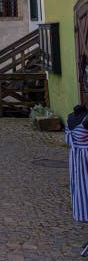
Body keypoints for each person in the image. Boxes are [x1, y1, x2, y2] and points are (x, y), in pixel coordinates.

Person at [66, 104, 88, 253]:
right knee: (84, 193)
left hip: (77, 160)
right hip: (83, 161)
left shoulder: (71, 118)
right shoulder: (83, 119)